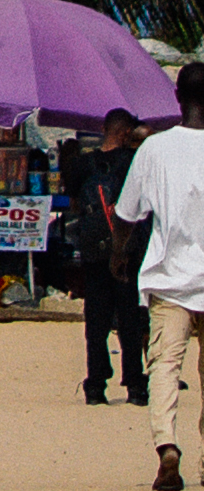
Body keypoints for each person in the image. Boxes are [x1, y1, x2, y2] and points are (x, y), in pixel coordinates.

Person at [115, 60, 204, 491]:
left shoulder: (154, 149)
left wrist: (118, 253)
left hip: (169, 281)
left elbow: (127, 214)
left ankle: (167, 447)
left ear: (177, 99)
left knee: (166, 365)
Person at [66, 112, 150, 407]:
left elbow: (73, 203)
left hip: (93, 252)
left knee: (96, 319)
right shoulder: (135, 161)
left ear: (103, 130)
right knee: (130, 318)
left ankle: (95, 385)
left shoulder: (83, 164)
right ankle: (136, 385)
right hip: (126, 250)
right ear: (127, 132)